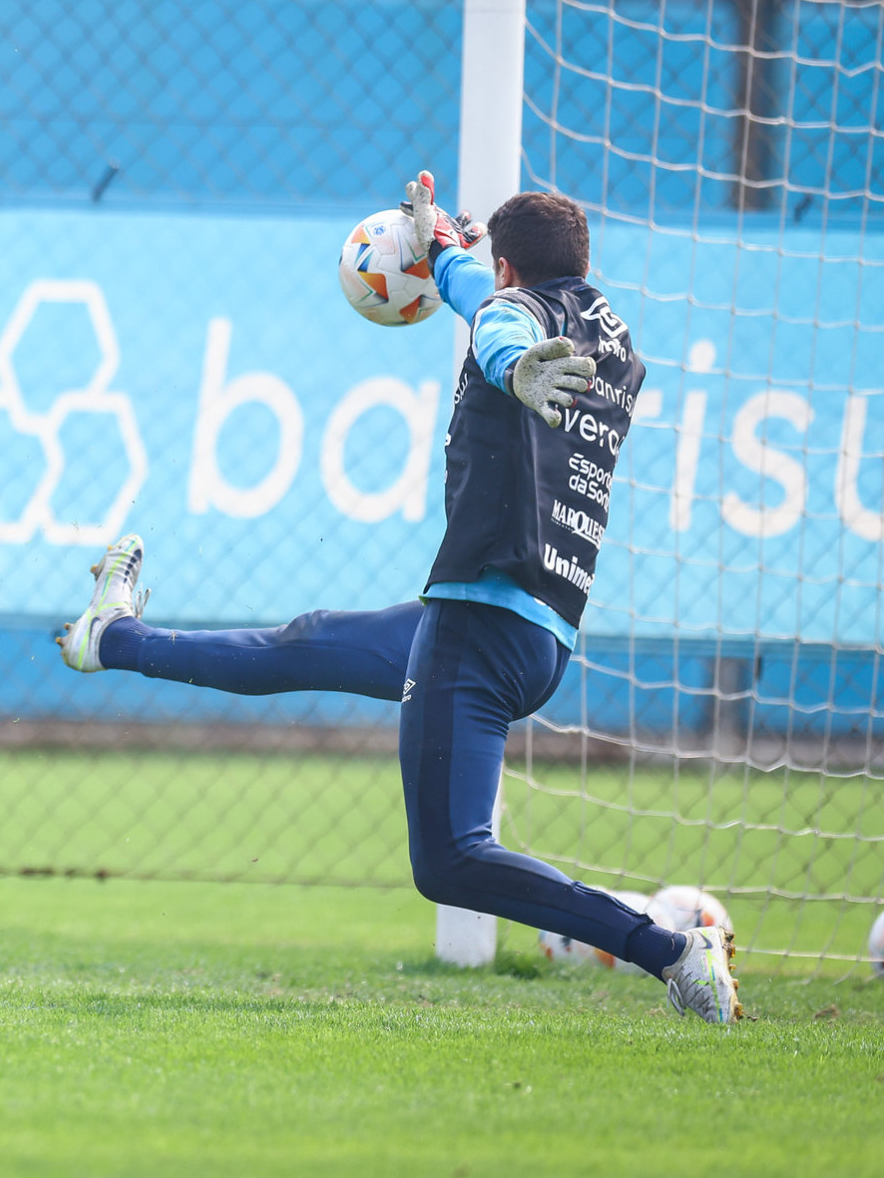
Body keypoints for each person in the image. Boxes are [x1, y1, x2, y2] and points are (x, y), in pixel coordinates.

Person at [55, 175, 742, 1024]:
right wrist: (449, 253)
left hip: (476, 624)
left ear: (511, 269)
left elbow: (497, 323)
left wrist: (504, 358)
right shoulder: (610, 340)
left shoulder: (517, 328)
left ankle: (669, 949)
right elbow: (483, 298)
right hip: (533, 632)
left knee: (450, 860)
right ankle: (110, 636)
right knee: (303, 643)